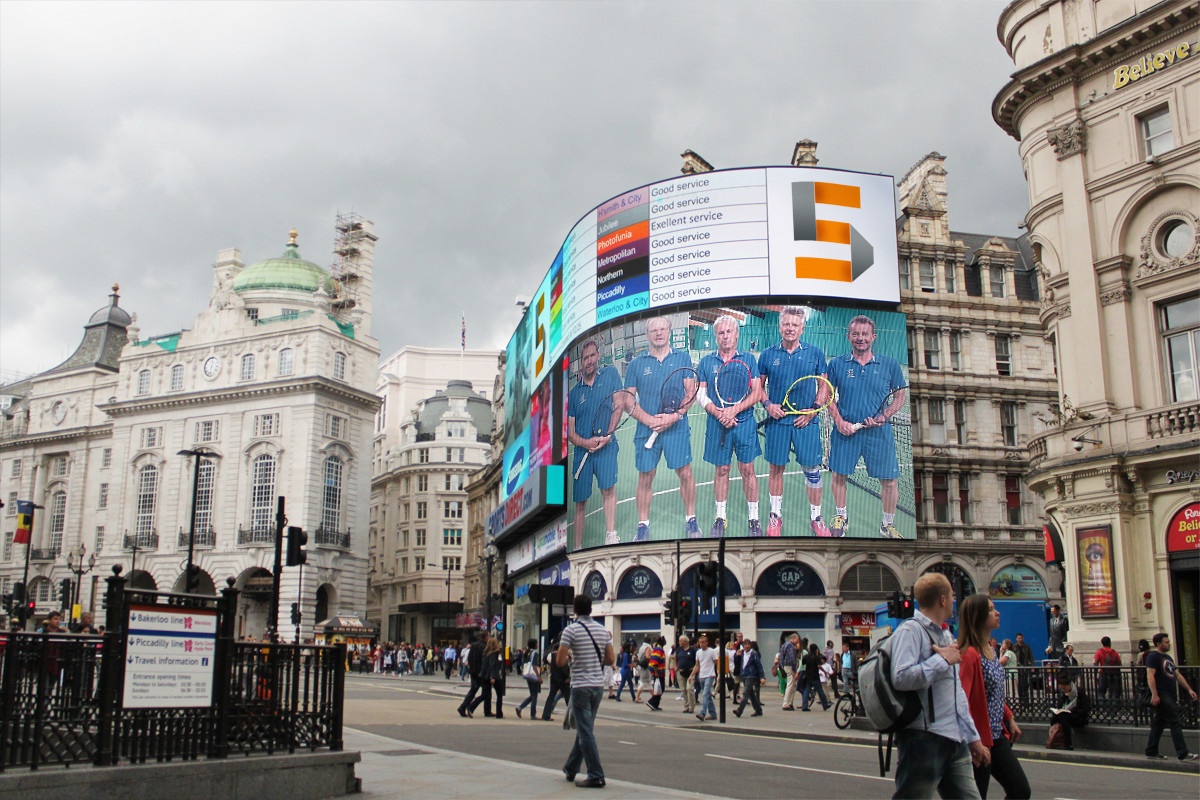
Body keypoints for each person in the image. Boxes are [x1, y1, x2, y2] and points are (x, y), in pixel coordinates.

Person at [890, 572, 987, 800]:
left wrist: (972, 737)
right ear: (942, 599)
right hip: (923, 740)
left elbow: (956, 693)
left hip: (955, 739)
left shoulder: (944, 634)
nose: (955, 600)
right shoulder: (910, 631)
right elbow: (901, 677)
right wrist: (942, 660)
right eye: (952, 596)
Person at [826, 315, 907, 539]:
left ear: (873, 337)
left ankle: (887, 525)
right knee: (838, 476)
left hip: (879, 433)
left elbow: (900, 396)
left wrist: (884, 415)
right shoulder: (836, 364)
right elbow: (827, 395)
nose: (860, 338)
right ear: (848, 336)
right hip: (846, 432)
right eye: (855, 334)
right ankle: (841, 517)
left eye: (864, 334)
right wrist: (839, 421)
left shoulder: (890, 365)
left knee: (889, 482)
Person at [758, 306, 832, 537]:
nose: (790, 329)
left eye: (795, 325)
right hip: (778, 422)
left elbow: (824, 386)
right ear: (780, 326)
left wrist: (813, 411)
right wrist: (768, 405)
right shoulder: (768, 355)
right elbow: (758, 387)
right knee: (776, 469)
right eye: (786, 324)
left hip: (806, 422)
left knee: (812, 471)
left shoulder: (815, 353)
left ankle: (816, 518)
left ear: (803, 328)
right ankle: (775, 516)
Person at [625, 316, 699, 541]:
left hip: (676, 427)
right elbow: (628, 402)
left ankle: (691, 519)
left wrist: (674, 416)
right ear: (648, 335)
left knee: (685, 473)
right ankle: (643, 525)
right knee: (645, 477)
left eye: (662, 329)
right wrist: (650, 421)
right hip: (646, 430)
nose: (658, 333)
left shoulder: (682, 357)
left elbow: (690, 393)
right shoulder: (636, 364)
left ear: (669, 331)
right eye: (654, 330)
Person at [697, 314, 764, 537]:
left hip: (744, 424)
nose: (725, 336)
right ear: (716, 336)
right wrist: (719, 413)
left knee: (748, 469)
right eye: (721, 333)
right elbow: (701, 394)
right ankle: (720, 517)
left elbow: (757, 392)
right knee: (722, 470)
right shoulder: (707, 362)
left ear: (737, 334)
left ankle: (754, 518)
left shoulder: (749, 360)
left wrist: (733, 411)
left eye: (729, 332)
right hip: (718, 425)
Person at [957, 593, 1030, 800]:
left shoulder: (989, 649)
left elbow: (994, 691)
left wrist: (1009, 717)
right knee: (977, 795)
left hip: (996, 735)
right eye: (990, 609)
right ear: (978, 616)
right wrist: (974, 741)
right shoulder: (970, 654)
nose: (997, 613)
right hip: (979, 738)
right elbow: (963, 700)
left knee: (1020, 790)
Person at [569, 341, 625, 546]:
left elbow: (619, 406)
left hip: (607, 447)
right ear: (580, 363)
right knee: (580, 504)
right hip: (583, 454)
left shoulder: (610, 376)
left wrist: (608, 434)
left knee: (608, 491)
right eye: (585, 358)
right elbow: (570, 432)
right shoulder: (574, 394)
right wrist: (586, 443)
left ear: (598, 355)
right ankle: (576, 547)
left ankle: (611, 535)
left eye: (592, 356)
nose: (590, 361)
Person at [558, 594, 615, 788]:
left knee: (585, 731)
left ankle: (596, 774)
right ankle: (571, 767)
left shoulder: (570, 630)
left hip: (580, 685)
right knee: (585, 729)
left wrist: (573, 657)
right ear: (591, 609)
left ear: (575, 609)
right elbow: (610, 659)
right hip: (598, 686)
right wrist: (594, 659)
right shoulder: (603, 631)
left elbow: (560, 661)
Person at [1144, 632, 1199, 761]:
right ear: (1158, 644)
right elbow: (1150, 675)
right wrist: (1155, 694)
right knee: (1175, 721)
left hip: (1170, 693)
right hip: (1162, 693)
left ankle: (1151, 750)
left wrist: (1189, 689)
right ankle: (1183, 753)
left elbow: (1177, 675)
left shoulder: (1168, 658)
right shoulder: (1153, 657)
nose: (1169, 644)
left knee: (1159, 722)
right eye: (1166, 642)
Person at [1047, 673, 1089, 751]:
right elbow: (1059, 707)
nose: (1063, 690)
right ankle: (1055, 740)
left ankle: (1068, 743)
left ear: (1069, 685)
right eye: (1061, 689)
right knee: (1059, 717)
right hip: (1066, 717)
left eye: (1064, 688)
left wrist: (1071, 711)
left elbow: (1085, 708)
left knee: (1064, 717)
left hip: (1078, 717)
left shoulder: (1079, 692)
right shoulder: (1063, 695)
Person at [457, 633, 490, 718]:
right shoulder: (484, 647)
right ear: (486, 637)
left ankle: (463, 707)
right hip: (481, 672)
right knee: (486, 692)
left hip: (473, 671)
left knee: (473, 690)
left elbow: (470, 658)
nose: (489, 637)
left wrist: (470, 669)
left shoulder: (474, 645)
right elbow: (484, 661)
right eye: (488, 636)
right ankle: (473, 707)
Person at [468, 638, 503, 718]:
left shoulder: (485, 652)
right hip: (493, 676)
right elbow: (492, 665)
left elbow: (484, 665)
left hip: (484, 676)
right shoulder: (495, 653)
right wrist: (493, 676)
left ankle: (471, 706)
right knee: (499, 694)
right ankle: (499, 713)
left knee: (484, 695)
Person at [733, 639, 765, 717]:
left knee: (745, 693)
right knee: (751, 694)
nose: (747, 646)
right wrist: (737, 656)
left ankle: (739, 710)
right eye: (745, 644)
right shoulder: (742, 653)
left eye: (748, 644)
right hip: (744, 674)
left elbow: (759, 665)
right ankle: (758, 710)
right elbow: (737, 662)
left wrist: (762, 677)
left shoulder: (754, 653)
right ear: (743, 646)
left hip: (751, 675)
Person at [541, 639, 571, 721]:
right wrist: (568, 677)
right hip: (563, 680)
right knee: (568, 699)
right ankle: (573, 716)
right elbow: (564, 667)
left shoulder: (551, 655)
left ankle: (545, 715)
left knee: (551, 697)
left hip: (554, 678)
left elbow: (548, 662)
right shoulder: (563, 656)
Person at [800, 643, 831, 711]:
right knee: (820, 692)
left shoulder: (806, 656)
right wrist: (825, 671)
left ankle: (804, 706)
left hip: (808, 676)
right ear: (816, 650)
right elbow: (819, 666)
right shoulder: (816, 657)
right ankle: (825, 705)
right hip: (815, 677)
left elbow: (802, 664)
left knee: (806, 691)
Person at [694, 634, 718, 721]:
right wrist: (692, 675)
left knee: (705, 694)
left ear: (707, 643)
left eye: (703, 642)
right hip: (702, 675)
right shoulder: (698, 652)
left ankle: (702, 713)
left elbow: (716, 662)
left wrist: (719, 674)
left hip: (710, 675)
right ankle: (713, 713)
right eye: (700, 643)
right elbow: (697, 665)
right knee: (707, 695)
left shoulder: (712, 651)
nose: (701, 644)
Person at [515, 638, 541, 719]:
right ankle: (533, 714)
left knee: (532, 695)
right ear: (534, 645)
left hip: (527, 674)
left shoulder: (526, 653)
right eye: (537, 643)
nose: (538, 644)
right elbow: (534, 666)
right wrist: (539, 676)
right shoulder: (535, 653)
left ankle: (520, 708)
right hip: (533, 675)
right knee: (534, 696)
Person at [1092, 636, 1121, 701]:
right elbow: (1119, 663)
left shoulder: (1099, 652)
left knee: (1101, 692)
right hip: (1114, 674)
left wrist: (1095, 674)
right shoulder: (1114, 652)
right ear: (1110, 643)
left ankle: (1102, 708)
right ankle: (1114, 708)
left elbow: (1096, 664)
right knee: (1114, 692)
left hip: (1103, 673)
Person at [779, 633, 801, 710]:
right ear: (794, 638)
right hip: (790, 666)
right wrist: (794, 669)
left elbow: (781, 657)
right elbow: (792, 658)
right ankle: (786, 704)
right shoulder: (791, 646)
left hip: (785, 666)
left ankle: (789, 703)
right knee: (790, 685)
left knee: (792, 685)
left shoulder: (784, 645)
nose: (798, 642)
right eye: (797, 640)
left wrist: (781, 667)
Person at [675, 635, 696, 714]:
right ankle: (686, 706)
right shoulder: (679, 650)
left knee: (689, 688)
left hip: (690, 672)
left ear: (686, 642)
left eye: (681, 641)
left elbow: (696, 661)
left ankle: (691, 706)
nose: (679, 642)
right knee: (683, 690)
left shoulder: (692, 650)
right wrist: (676, 667)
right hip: (681, 672)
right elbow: (676, 658)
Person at [645, 636, 667, 711]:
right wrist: (656, 672)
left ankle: (655, 705)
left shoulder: (658, 649)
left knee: (659, 689)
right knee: (660, 689)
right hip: (659, 673)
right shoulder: (658, 649)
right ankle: (651, 702)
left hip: (659, 672)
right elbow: (654, 662)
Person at [1013, 633, 1034, 702]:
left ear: (1023, 638)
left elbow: (1031, 657)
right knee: (1019, 685)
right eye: (1018, 638)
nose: (1020, 639)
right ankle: (1020, 700)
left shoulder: (1027, 647)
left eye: (1021, 638)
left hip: (1025, 667)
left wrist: (1032, 666)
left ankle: (1026, 701)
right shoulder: (1014, 647)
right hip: (1017, 668)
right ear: (1016, 639)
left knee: (1025, 684)